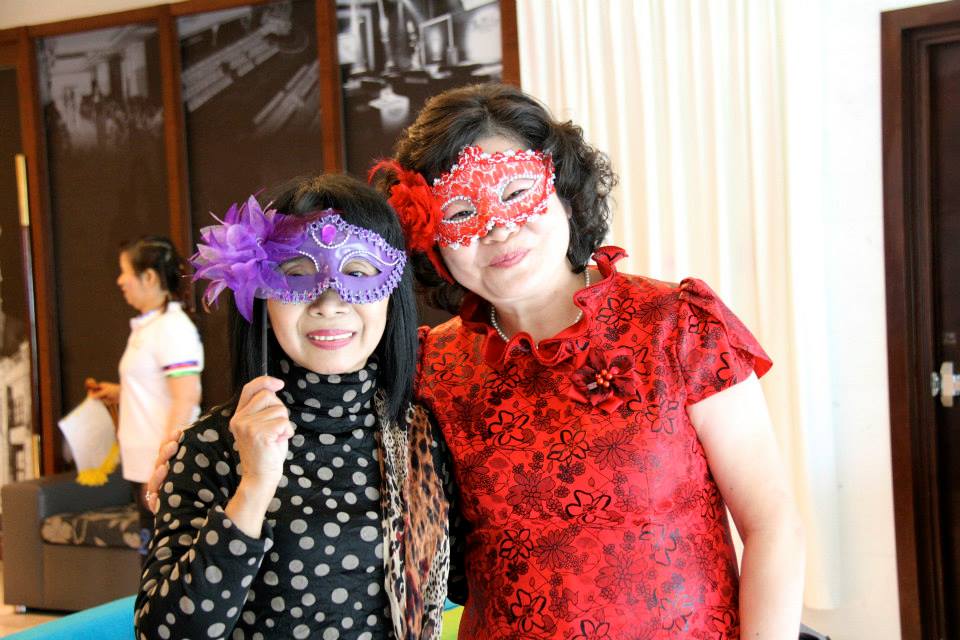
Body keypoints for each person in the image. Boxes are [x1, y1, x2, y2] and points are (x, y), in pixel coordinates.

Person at [368, 83, 805, 639]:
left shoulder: (677, 324)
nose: (497, 227)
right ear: (431, 241)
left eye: (516, 191)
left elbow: (771, 525)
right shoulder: (431, 366)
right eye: (460, 211)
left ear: (565, 195)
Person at [134, 175, 452, 640]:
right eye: (298, 274)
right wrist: (253, 487)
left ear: (392, 290)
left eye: (359, 272)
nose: (329, 302)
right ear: (261, 293)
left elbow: (472, 578)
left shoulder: (420, 435)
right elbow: (165, 633)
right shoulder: (212, 444)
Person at [88, 236, 203, 555]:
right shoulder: (150, 327)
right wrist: (119, 392)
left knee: (162, 556)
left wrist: (162, 464)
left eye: (125, 272)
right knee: (149, 556)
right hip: (142, 464)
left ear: (149, 277)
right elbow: (157, 388)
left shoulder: (172, 328)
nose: (120, 281)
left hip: (160, 466)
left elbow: (186, 397)